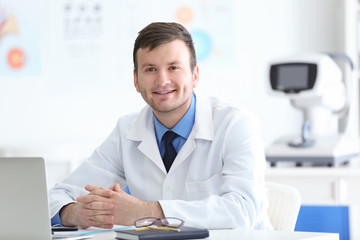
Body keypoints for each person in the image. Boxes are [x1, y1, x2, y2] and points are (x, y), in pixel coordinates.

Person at [49, 22, 272, 230]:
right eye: (150, 69)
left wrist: (145, 212)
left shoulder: (236, 124)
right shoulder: (128, 130)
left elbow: (242, 211)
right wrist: (77, 214)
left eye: (173, 67)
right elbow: (59, 195)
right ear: (136, 81)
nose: (162, 80)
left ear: (194, 75)